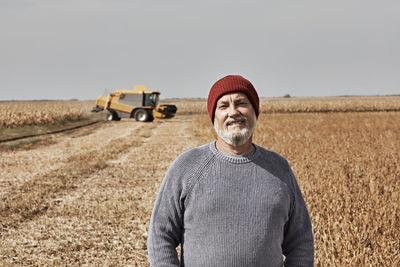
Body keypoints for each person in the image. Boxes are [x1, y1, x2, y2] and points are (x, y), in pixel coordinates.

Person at [147, 75, 314, 267]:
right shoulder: (187, 167)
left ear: (255, 111)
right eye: (223, 106)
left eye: (241, 103)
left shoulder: (279, 169)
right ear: (214, 116)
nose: (233, 112)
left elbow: (301, 243)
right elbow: (160, 236)